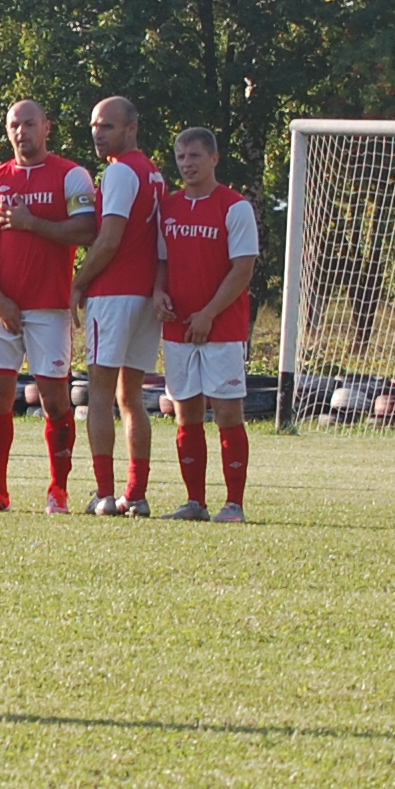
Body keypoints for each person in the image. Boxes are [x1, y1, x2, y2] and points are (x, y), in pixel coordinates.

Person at [0, 99, 95, 512]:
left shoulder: (72, 176)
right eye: (14, 125)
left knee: (55, 401)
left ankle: (58, 490)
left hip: (50, 307)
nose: (22, 131)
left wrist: (31, 222)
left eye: (30, 123)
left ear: (46, 127)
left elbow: (89, 230)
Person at [154, 126, 259, 523]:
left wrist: (209, 314)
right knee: (186, 414)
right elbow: (161, 262)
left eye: (195, 156)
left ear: (214, 158)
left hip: (222, 329)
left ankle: (234, 504)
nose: (187, 164)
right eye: (181, 157)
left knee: (229, 414)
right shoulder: (170, 207)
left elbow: (242, 269)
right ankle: (195, 502)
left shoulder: (235, 207)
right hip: (179, 327)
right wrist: (158, 293)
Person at [69, 96, 162, 515]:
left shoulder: (122, 171)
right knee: (132, 397)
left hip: (113, 294)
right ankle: (136, 494)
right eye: (94, 125)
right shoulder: (154, 174)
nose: (97, 133)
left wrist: (79, 282)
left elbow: (109, 238)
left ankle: (104, 493)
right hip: (143, 293)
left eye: (107, 126)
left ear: (131, 128)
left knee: (101, 396)